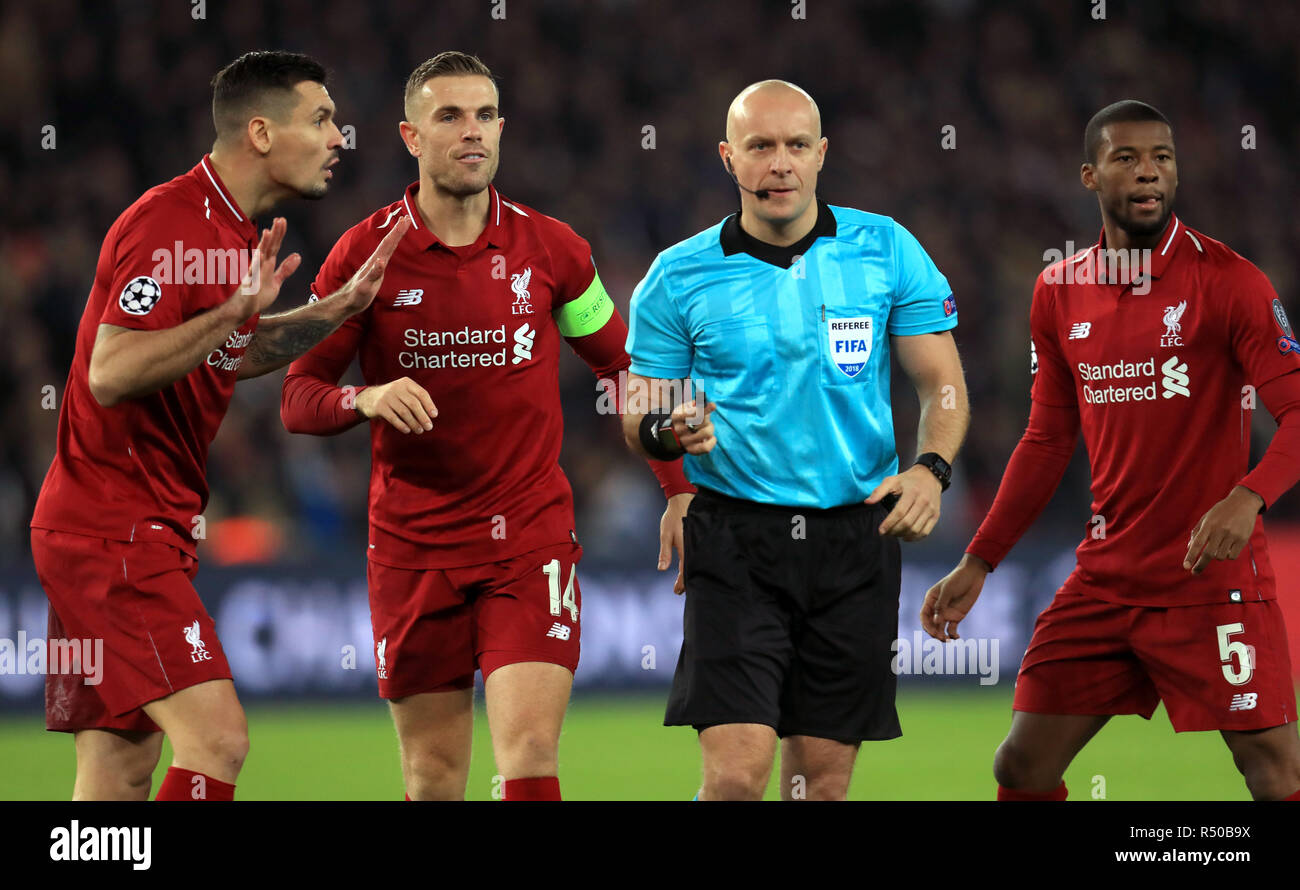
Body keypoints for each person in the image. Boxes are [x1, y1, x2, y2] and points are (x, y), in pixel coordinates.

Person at [279, 51, 691, 802]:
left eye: (486, 115)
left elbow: (623, 369)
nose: (473, 132)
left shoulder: (553, 251)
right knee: (434, 781)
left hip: (528, 538)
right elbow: (299, 394)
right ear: (411, 135)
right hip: (411, 548)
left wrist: (677, 488)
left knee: (530, 756)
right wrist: (362, 402)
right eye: (450, 116)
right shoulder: (363, 258)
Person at [30, 51, 409, 800]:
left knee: (119, 770)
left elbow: (229, 351)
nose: (341, 137)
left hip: (122, 530)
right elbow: (111, 371)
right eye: (322, 119)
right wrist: (230, 313)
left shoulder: (232, 232)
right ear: (261, 132)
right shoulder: (170, 224)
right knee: (219, 739)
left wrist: (330, 313)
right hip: (112, 533)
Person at [922, 100, 1300, 801]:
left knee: (1274, 774)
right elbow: (1046, 440)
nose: (1149, 172)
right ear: (1091, 176)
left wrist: (1249, 496)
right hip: (1106, 582)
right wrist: (981, 559)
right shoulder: (1058, 292)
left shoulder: (1230, 282)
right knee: (1021, 768)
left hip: (1212, 585)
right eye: (1127, 159)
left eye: (1163, 157)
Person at [622, 80, 969, 801]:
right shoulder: (677, 275)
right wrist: (668, 430)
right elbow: (640, 413)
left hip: (855, 540)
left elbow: (941, 383)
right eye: (759, 147)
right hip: (736, 539)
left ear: (821, 156)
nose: (779, 164)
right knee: (735, 779)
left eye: (795, 146)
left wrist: (931, 470)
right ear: (728, 157)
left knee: (822, 785)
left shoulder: (886, 249)